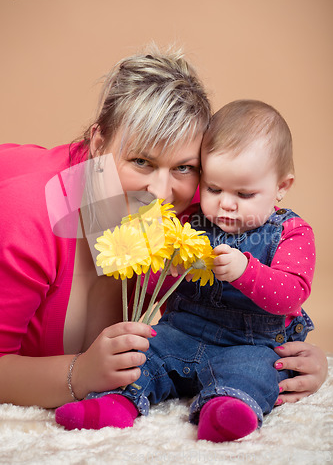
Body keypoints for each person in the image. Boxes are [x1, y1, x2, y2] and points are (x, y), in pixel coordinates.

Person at [0, 49, 327, 412]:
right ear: (99, 144)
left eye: (184, 167)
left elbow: (268, 277)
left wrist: (291, 358)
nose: (160, 191)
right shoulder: (29, 218)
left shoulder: (194, 208)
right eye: (141, 161)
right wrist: (79, 374)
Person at [55, 100, 319, 442]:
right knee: (139, 357)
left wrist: (245, 271)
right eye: (213, 188)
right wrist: (165, 266)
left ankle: (224, 411)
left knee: (256, 373)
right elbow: (149, 282)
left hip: (249, 344)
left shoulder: (290, 232)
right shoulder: (188, 219)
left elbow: (292, 294)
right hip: (179, 333)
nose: (225, 203)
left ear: (281, 187)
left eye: (244, 193)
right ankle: (113, 406)